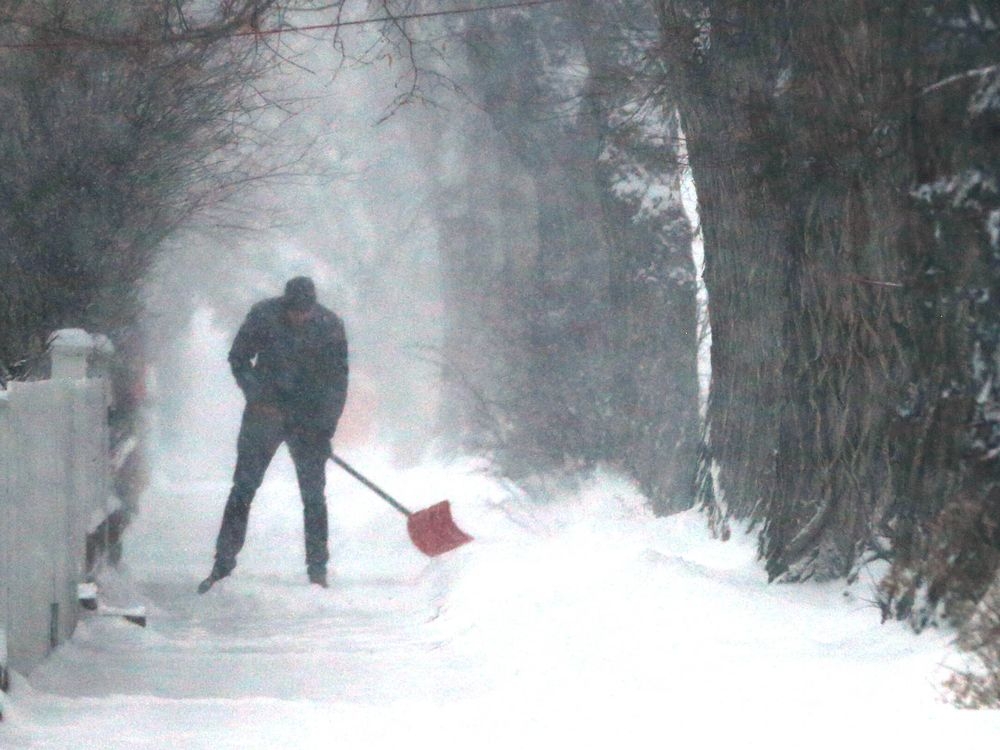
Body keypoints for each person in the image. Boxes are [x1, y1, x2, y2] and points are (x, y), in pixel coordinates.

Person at [198, 276, 349, 593]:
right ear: (285, 304)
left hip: (308, 422)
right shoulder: (263, 316)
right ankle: (222, 565)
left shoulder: (330, 326)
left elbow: (337, 382)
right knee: (243, 488)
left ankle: (317, 570)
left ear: (313, 308)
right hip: (263, 417)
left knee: (313, 496)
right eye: (294, 311)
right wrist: (257, 395)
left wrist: (324, 427)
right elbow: (238, 358)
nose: (299, 317)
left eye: (304, 312)